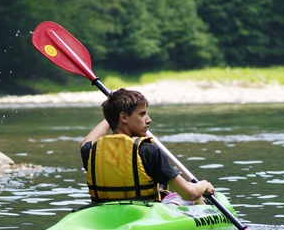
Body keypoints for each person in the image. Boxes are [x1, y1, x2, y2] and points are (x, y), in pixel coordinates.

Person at [80, 88, 215, 205]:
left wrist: (113, 116)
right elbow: (189, 193)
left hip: (105, 212)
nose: (149, 120)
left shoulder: (90, 151)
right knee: (196, 194)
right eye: (142, 114)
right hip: (145, 213)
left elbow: (86, 141)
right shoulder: (148, 151)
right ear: (124, 118)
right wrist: (203, 185)